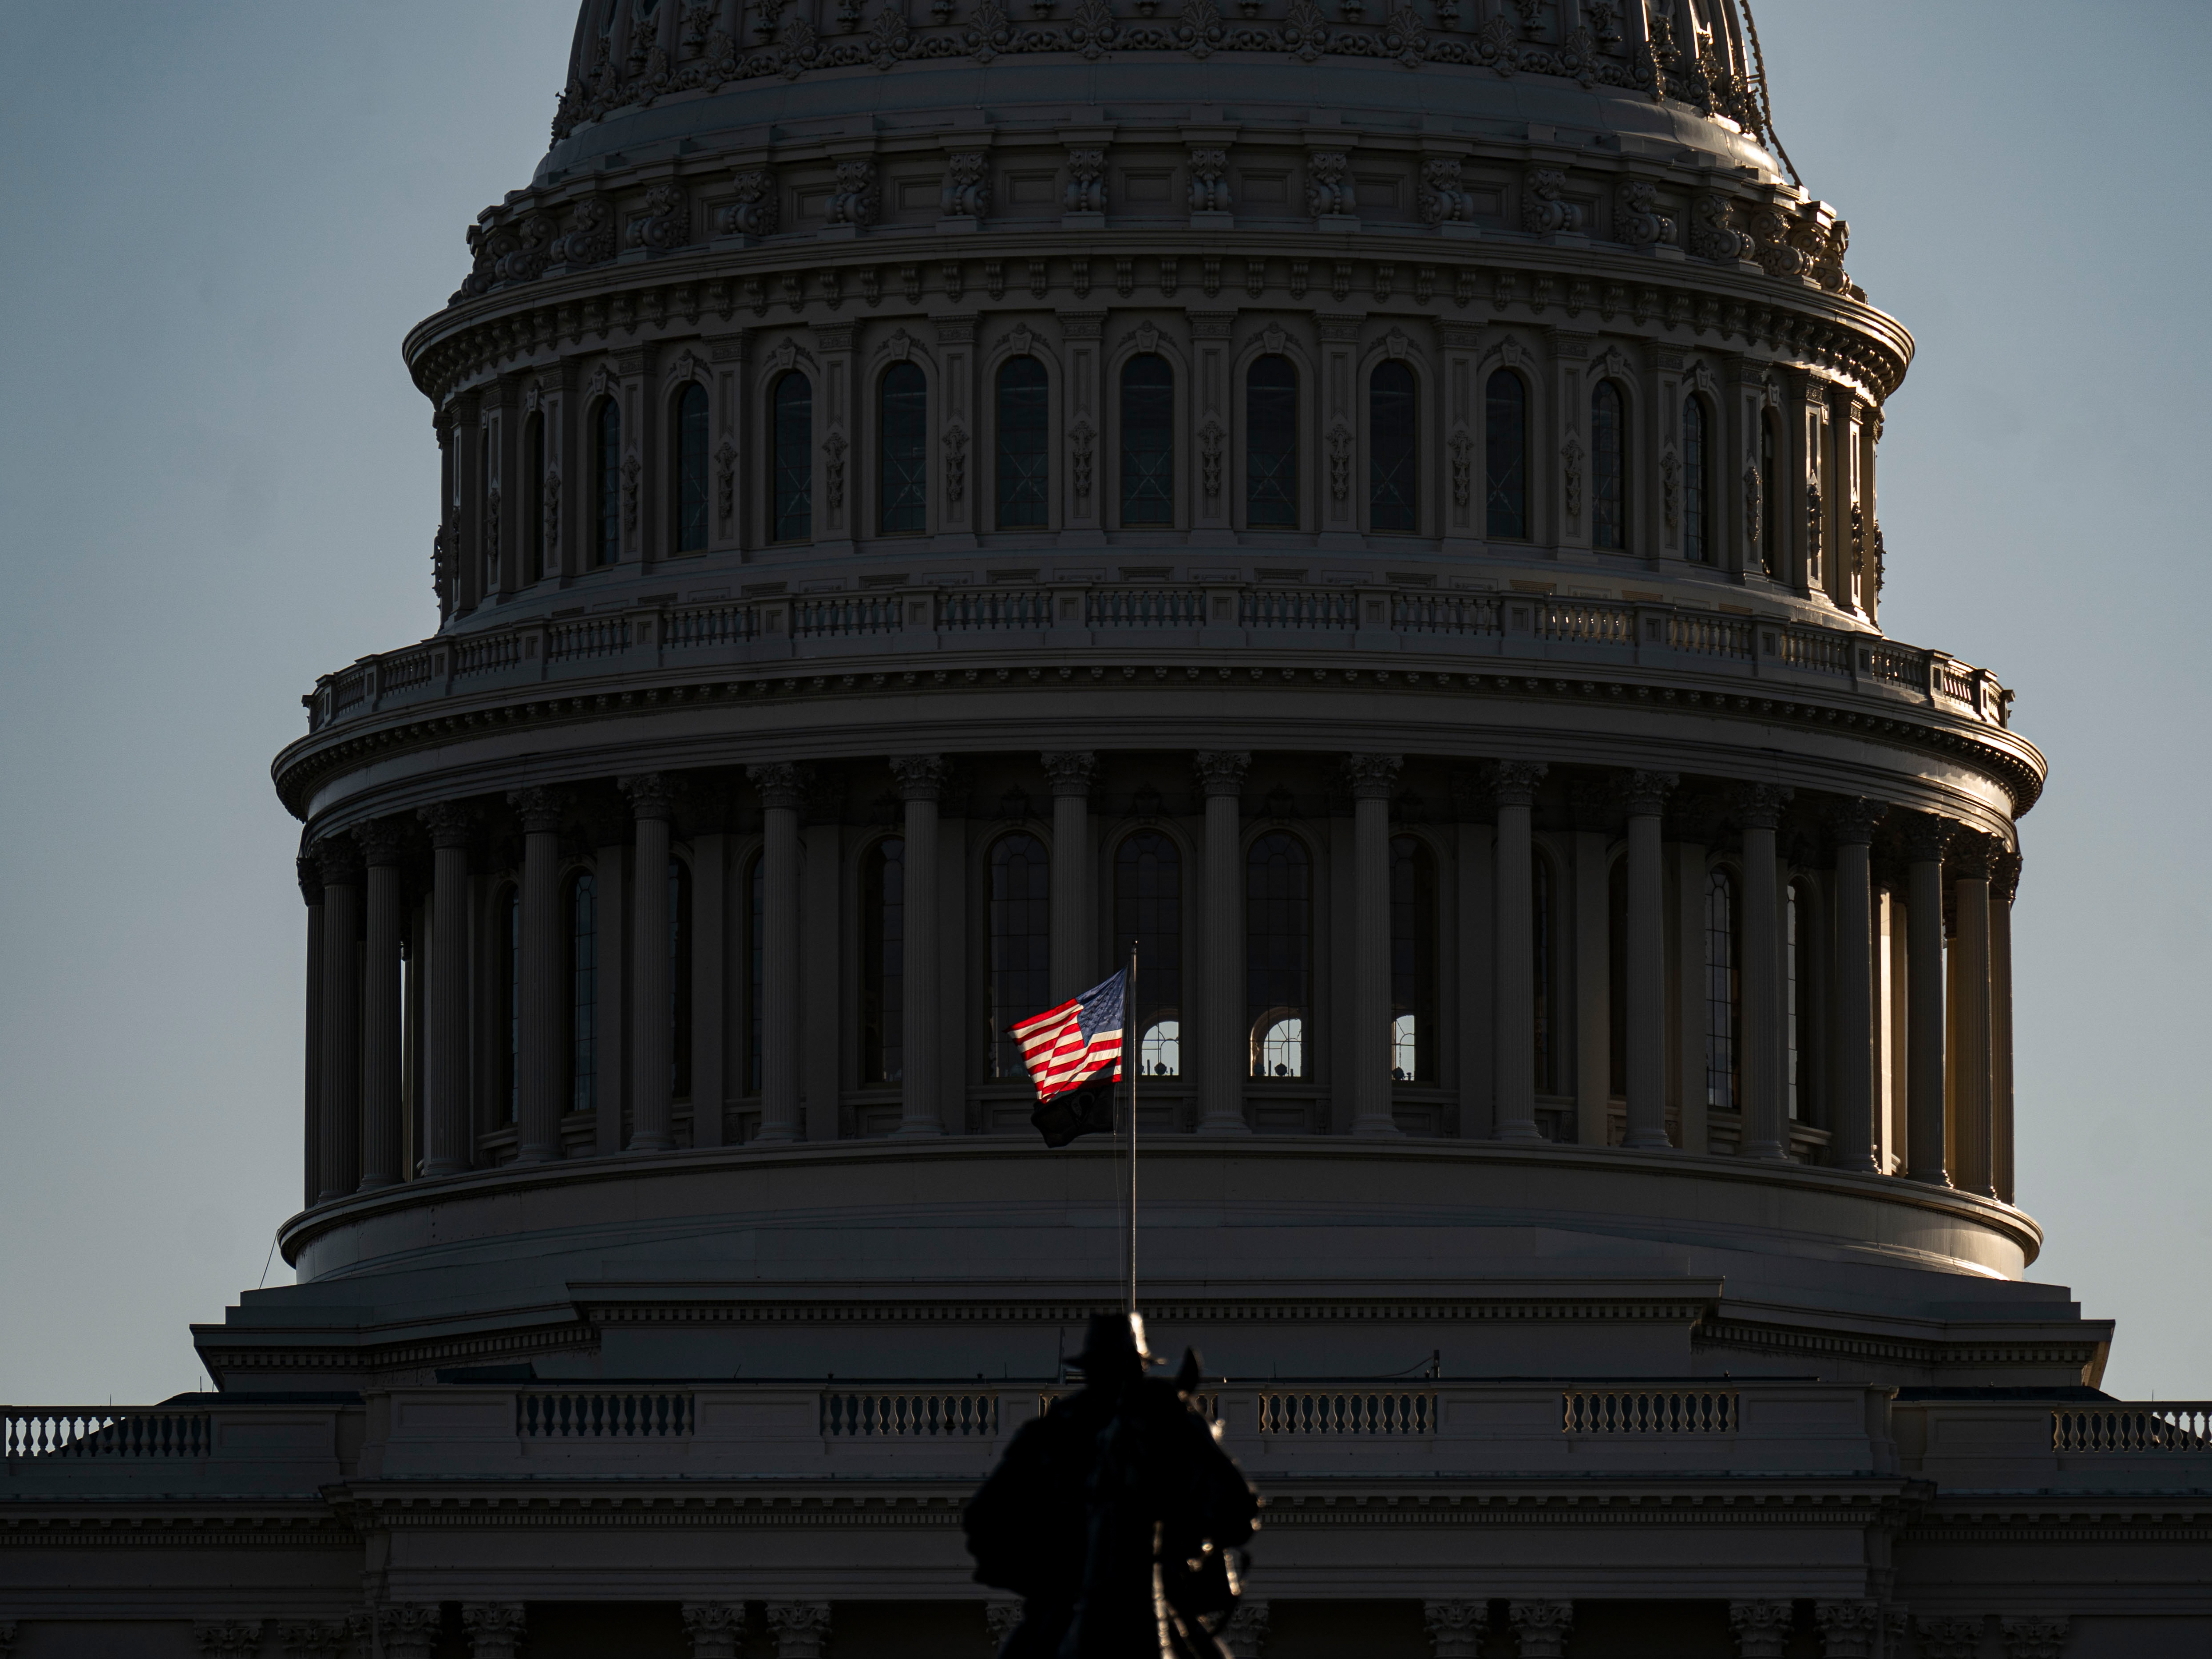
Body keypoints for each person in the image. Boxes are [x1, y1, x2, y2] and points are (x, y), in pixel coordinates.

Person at [965, 1314, 1260, 1659]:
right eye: (1109, 1371)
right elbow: (983, 1519)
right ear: (1091, 1373)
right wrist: (1049, 1578)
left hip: (1156, 1590)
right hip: (1068, 1597)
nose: (1119, 1383)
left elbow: (1231, 1500)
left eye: (1128, 1370)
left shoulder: (1163, 1424)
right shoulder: (1050, 1436)